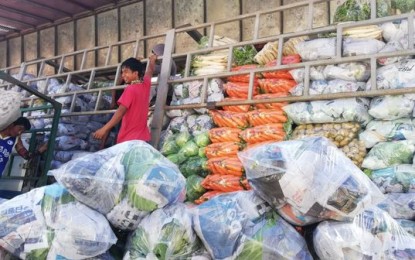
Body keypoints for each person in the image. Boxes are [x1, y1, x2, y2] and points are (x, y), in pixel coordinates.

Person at [93, 53, 157, 144]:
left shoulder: (130, 89)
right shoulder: (146, 86)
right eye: (122, 72)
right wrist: (152, 61)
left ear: (135, 73)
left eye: (126, 72)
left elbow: (120, 112)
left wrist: (104, 129)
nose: (123, 75)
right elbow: (149, 72)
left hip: (128, 140)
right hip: (143, 138)